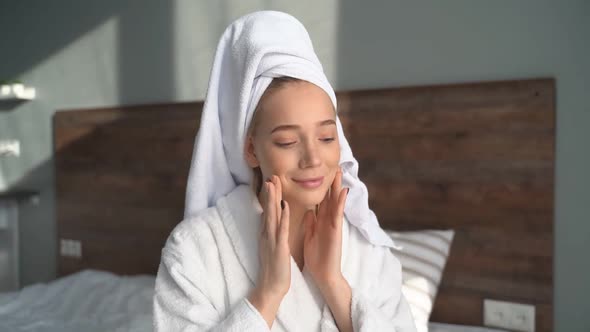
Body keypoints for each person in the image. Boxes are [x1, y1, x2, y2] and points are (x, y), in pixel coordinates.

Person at [153, 11, 417, 332]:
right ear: (251, 149)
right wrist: (267, 294)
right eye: (287, 141)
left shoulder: (368, 252)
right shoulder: (193, 250)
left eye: (326, 137)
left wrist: (333, 283)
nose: (313, 158)